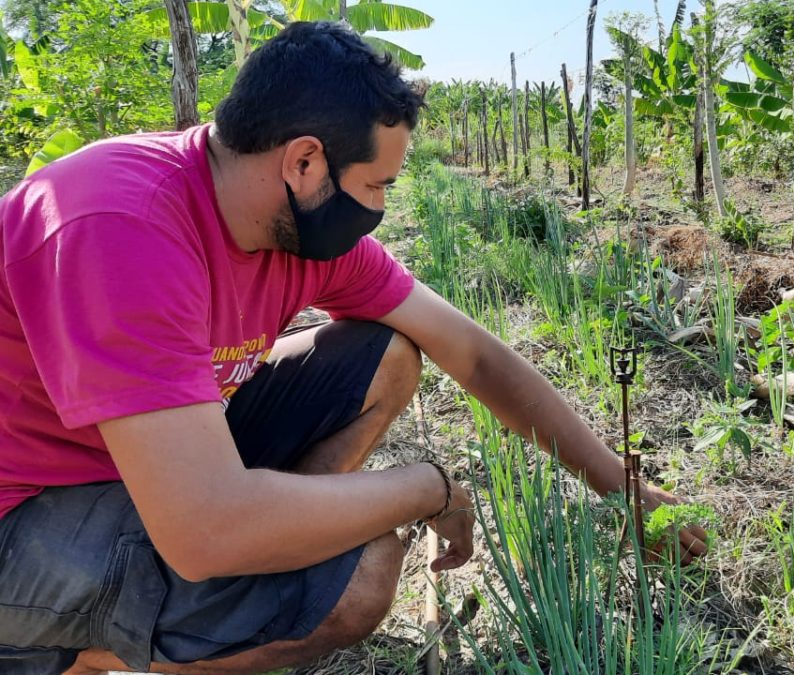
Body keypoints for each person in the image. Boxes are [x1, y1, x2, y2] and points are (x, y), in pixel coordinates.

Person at [0, 20, 707, 675]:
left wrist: (621, 485)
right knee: (359, 574)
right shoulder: (123, 225)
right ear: (305, 162)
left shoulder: (295, 231)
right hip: (25, 507)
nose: (382, 209)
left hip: (147, 460)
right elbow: (203, 530)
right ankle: (85, 651)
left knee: (386, 351)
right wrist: (427, 486)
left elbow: (473, 352)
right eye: (376, 185)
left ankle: (249, 552)